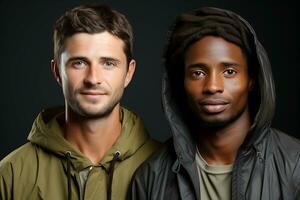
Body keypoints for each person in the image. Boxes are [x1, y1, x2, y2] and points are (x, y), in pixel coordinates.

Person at [129, 7, 300, 200]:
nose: (212, 86)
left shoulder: (295, 164)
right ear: (182, 82)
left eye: (229, 72)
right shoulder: (150, 178)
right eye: (198, 73)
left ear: (251, 79)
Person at [0, 4, 160, 200]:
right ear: (57, 72)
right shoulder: (10, 174)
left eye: (108, 63)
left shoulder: (166, 168)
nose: (93, 78)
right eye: (79, 63)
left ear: (129, 72)